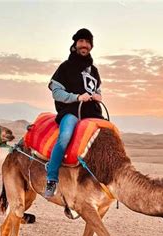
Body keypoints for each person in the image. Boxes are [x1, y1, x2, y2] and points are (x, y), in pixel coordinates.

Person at [44, 28, 104, 198]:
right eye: (81, 41)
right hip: (71, 111)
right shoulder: (66, 67)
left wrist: (98, 96)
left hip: (92, 113)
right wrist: (76, 97)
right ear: (75, 44)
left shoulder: (94, 71)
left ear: (91, 46)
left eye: (87, 42)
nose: (84, 45)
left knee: (107, 138)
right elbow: (56, 92)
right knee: (64, 137)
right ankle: (52, 178)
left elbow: (97, 89)